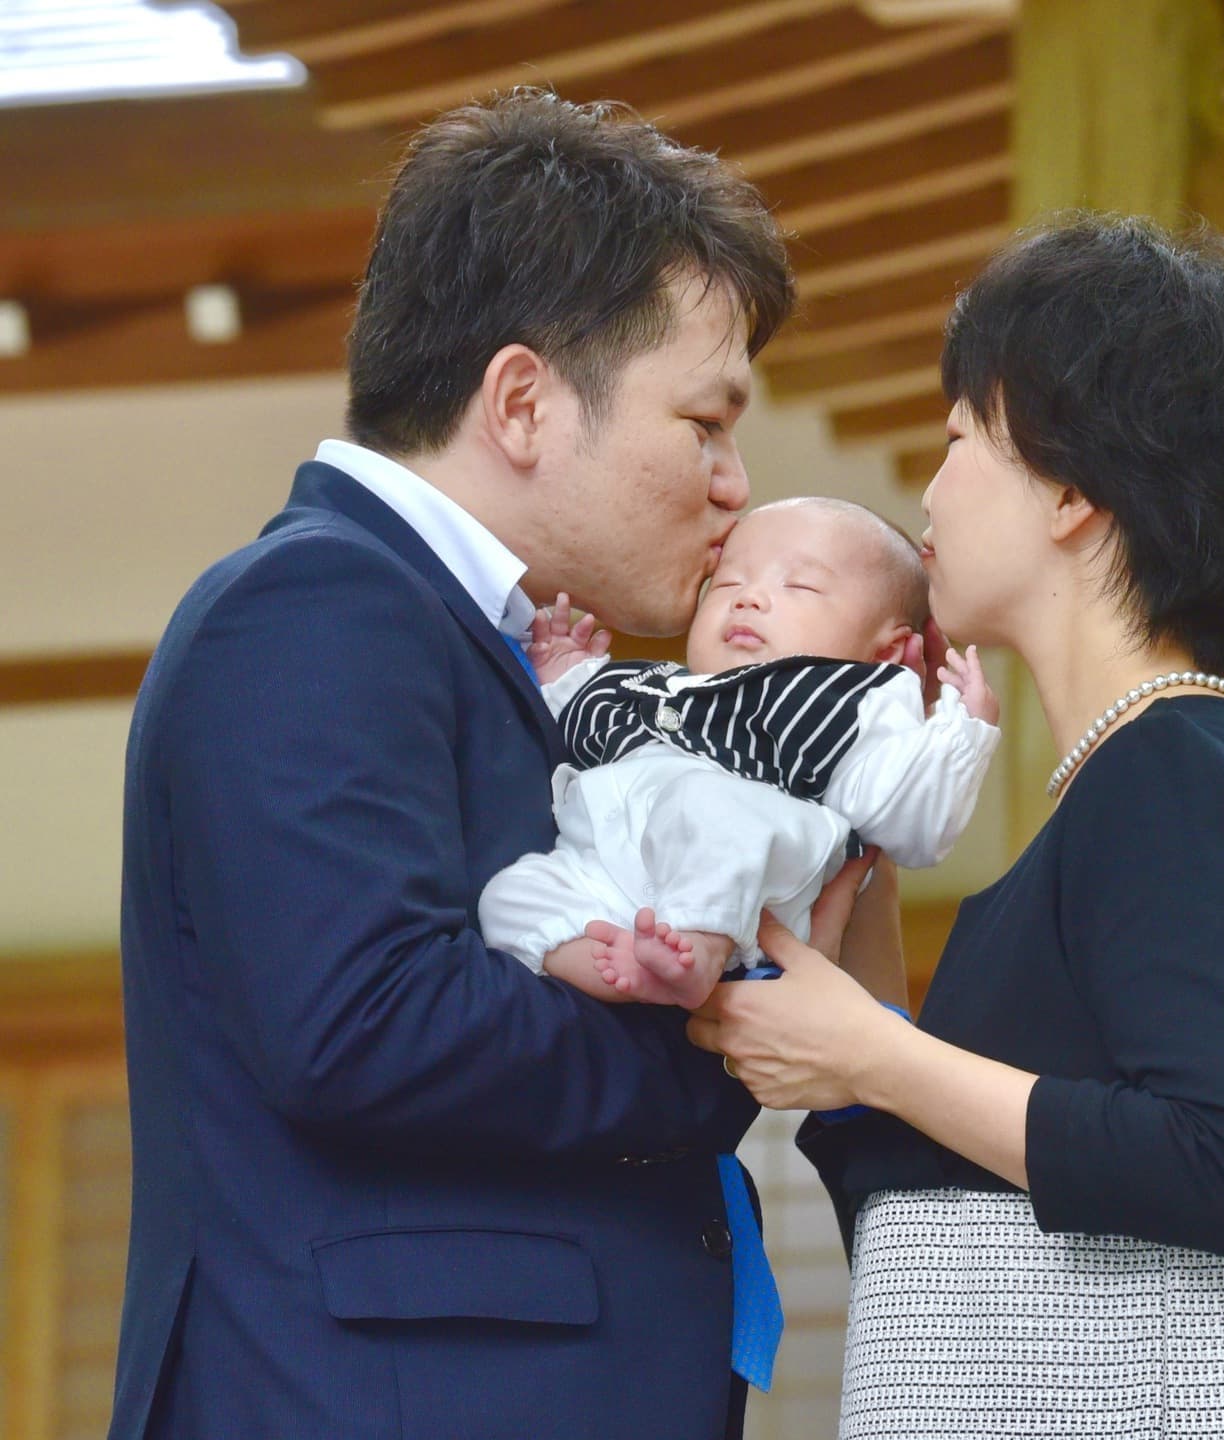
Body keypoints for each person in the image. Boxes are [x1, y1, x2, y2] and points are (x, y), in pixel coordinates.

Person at [111, 90, 800, 1440]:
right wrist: (707, 1048)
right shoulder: (313, 605)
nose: (735, 483)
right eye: (706, 422)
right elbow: (361, 1022)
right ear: (526, 401)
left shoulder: (466, 634)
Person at [688, 215, 1224, 1437]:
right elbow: (927, 1207)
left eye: (963, 436)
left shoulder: (1167, 767)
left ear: (1073, 490)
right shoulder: (1146, 774)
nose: (930, 487)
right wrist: (858, 860)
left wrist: (872, 1056)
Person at [478, 497, 1002, 1008]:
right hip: (610, 882)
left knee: (710, 805)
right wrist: (568, 674)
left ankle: (701, 950)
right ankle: (617, 969)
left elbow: (911, 823)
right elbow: (592, 719)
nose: (748, 597)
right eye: (727, 582)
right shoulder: (661, 686)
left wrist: (962, 734)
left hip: (746, 883)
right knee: (507, 893)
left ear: (885, 653)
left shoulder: (838, 702)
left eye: (799, 585)